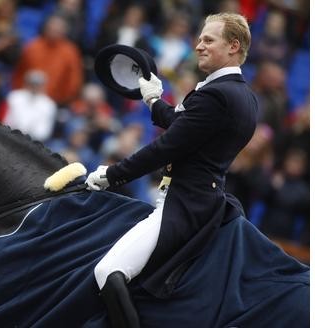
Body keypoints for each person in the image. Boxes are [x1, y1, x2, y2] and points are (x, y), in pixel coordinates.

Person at [85, 13, 258, 327]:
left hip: (183, 201)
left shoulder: (217, 95)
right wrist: (153, 100)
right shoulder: (242, 95)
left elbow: (167, 147)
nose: (198, 46)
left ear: (233, 46)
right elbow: (186, 127)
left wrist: (113, 175)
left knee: (107, 271)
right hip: (205, 197)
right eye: (199, 38)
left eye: (208, 40)